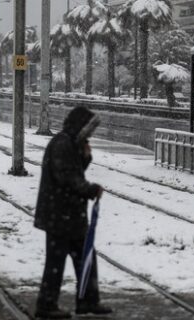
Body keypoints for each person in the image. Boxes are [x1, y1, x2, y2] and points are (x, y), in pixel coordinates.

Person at [34, 106, 112, 319]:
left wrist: (86, 157)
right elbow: (68, 177)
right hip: (59, 215)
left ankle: (87, 301)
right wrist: (90, 190)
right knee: (56, 262)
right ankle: (46, 305)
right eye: (89, 129)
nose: (91, 134)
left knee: (85, 258)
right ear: (79, 126)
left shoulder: (70, 143)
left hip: (70, 215)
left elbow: (74, 171)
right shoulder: (62, 144)